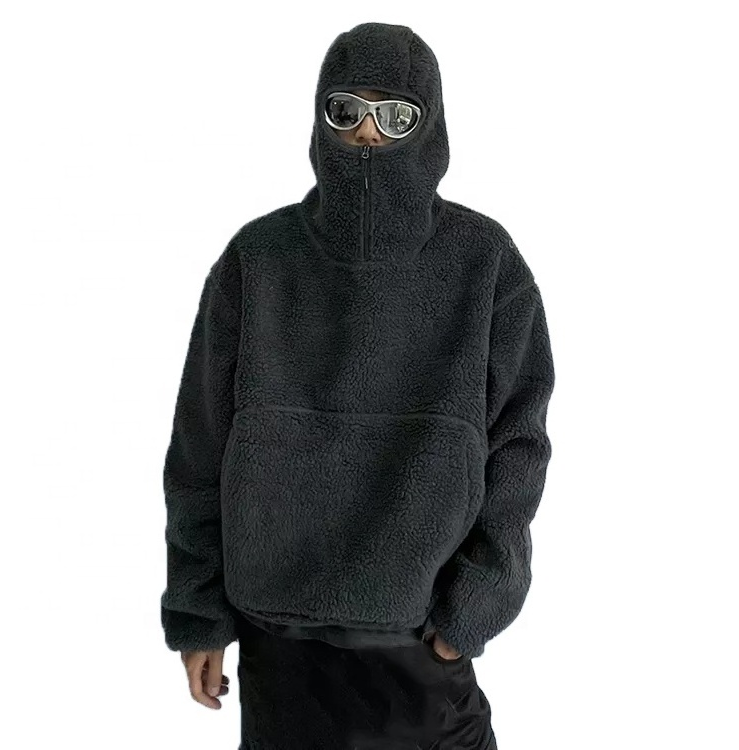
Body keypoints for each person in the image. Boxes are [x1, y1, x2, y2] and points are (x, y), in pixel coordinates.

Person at [160, 21, 555, 750]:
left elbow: (520, 447)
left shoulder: (485, 262)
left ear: (430, 124)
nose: (369, 133)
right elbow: (198, 448)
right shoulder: (258, 259)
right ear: (320, 117)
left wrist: (475, 605)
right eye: (346, 110)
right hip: (278, 641)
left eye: (396, 114)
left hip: (418, 641)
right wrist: (199, 612)